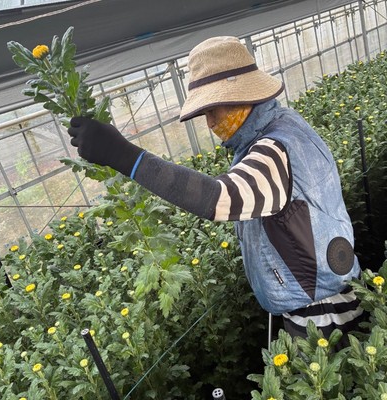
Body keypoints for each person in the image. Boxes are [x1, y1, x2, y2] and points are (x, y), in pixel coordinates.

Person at [68, 36, 365, 345]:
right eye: (204, 113)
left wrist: (125, 156)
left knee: (335, 371)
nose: (209, 123)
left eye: (213, 110)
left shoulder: (274, 149)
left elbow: (219, 197)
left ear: (241, 96)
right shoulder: (285, 123)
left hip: (321, 309)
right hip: (326, 284)